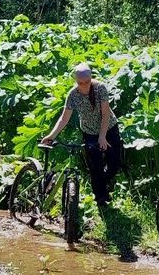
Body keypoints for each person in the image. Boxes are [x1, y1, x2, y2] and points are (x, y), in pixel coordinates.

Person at [41, 62, 123, 207]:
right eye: (80, 83)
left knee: (114, 162)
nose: (84, 85)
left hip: (109, 129)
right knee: (95, 167)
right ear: (76, 81)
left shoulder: (100, 89)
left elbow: (105, 114)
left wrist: (102, 136)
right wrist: (51, 136)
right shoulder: (73, 95)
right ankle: (101, 199)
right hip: (89, 132)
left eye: (87, 82)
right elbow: (64, 118)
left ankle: (105, 181)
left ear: (91, 78)